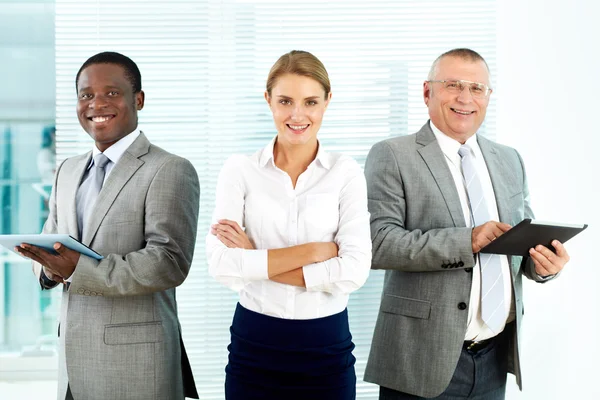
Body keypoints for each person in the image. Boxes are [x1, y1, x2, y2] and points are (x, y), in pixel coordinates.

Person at [363, 48, 570, 399]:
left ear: (488, 97)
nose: (465, 98)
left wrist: (543, 264)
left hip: (493, 357)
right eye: (453, 85)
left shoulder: (509, 159)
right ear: (428, 92)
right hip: (420, 357)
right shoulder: (393, 155)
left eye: (477, 88)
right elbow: (378, 243)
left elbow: (519, 243)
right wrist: (467, 241)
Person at [17, 51, 200, 400]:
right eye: (86, 95)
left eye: (111, 93)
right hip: (72, 366)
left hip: (136, 365)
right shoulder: (67, 170)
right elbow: (49, 242)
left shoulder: (169, 169)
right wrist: (47, 270)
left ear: (139, 99)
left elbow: (168, 262)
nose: (96, 103)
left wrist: (78, 269)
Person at [206, 50, 372, 400]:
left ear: (328, 101)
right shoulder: (239, 170)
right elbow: (222, 265)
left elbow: (354, 271)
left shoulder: (346, 172)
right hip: (255, 344)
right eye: (285, 101)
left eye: (310, 101)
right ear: (268, 100)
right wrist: (315, 252)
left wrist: (254, 257)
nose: (298, 115)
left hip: (326, 347)